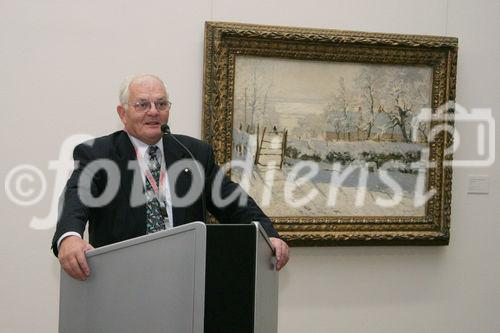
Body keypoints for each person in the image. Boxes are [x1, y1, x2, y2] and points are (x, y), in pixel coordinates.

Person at [52, 74, 289, 280]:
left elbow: (232, 201)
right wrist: (69, 237)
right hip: (120, 278)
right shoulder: (98, 154)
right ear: (123, 113)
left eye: (161, 103)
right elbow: (76, 197)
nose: (153, 111)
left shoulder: (193, 153)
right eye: (142, 104)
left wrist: (268, 235)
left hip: (186, 277)